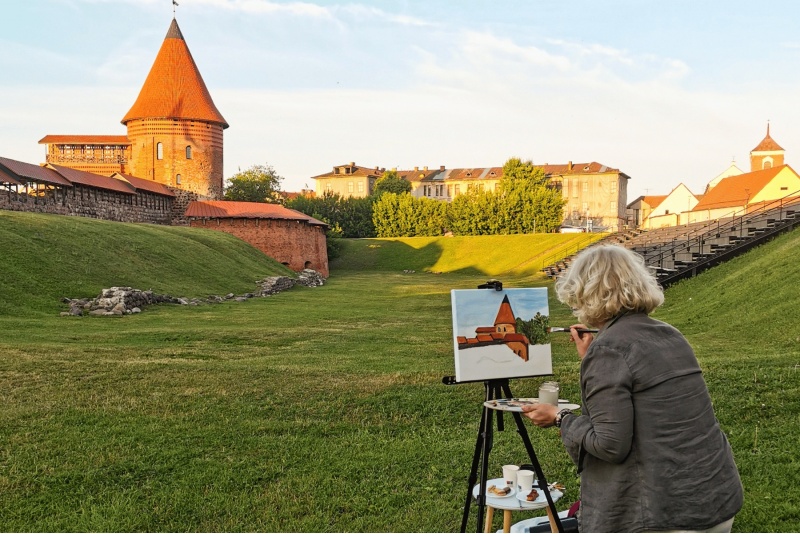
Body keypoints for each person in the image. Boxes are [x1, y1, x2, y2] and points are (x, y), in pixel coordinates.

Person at [522, 245, 743, 532]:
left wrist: (560, 417)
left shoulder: (610, 350)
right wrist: (594, 356)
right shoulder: (669, 334)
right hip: (714, 497)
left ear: (587, 293)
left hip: (666, 514)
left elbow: (609, 445)